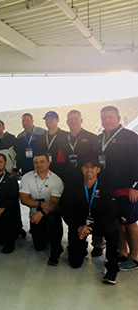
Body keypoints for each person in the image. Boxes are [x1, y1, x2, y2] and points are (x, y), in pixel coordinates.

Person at [60, 158, 119, 284]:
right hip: (79, 224)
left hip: (98, 224)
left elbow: (111, 213)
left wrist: (90, 227)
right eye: (86, 166)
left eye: (93, 167)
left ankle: (112, 269)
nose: (89, 170)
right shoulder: (72, 185)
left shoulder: (106, 187)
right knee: (75, 263)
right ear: (81, 169)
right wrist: (78, 227)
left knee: (112, 232)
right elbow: (65, 209)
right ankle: (81, 248)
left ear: (98, 170)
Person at [97, 105, 138, 271]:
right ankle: (123, 251)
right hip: (108, 189)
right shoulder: (100, 139)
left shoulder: (130, 137)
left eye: (110, 117)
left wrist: (135, 186)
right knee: (116, 222)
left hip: (127, 189)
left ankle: (135, 256)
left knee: (130, 223)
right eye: (104, 118)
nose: (107, 120)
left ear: (118, 118)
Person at [63, 110, 103, 257]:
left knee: (94, 208)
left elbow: (96, 160)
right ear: (67, 122)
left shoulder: (91, 138)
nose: (73, 121)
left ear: (81, 120)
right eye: (70, 119)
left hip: (89, 178)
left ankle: (98, 243)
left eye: (76, 119)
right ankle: (76, 237)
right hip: (72, 181)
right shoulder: (63, 138)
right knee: (75, 209)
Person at [19, 153, 64, 266]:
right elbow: (23, 199)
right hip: (34, 214)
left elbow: (54, 203)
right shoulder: (26, 177)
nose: (39, 165)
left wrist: (42, 212)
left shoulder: (56, 180)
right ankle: (47, 235)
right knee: (39, 246)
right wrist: (40, 205)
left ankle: (56, 251)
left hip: (51, 213)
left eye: (42, 162)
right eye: (36, 162)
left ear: (48, 163)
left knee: (54, 221)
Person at [0, 120, 25, 237]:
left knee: (14, 201)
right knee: (1, 200)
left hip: (11, 174)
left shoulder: (11, 138)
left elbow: (19, 153)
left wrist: (16, 169)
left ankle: (18, 227)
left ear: (3, 127)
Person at [37, 111, 68, 180]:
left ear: (57, 120)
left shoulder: (65, 135)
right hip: (45, 172)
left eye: (51, 119)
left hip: (61, 172)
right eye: (47, 119)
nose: (48, 121)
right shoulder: (41, 137)